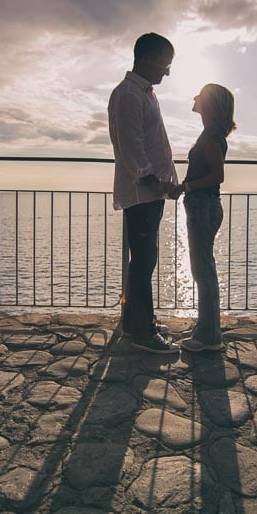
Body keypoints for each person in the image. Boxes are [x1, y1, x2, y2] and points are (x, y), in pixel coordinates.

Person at [108, 33, 179, 354]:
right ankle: (142, 333)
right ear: (147, 59)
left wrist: (163, 184)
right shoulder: (128, 95)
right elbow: (132, 148)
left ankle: (136, 320)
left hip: (150, 192)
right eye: (165, 64)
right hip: (142, 193)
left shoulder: (144, 93)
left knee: (144, 260)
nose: (167, 72)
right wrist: (157, 183)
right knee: (143, 261)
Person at [173, 84, 236, 352]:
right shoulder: (212, 132)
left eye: (200, 94)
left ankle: (209, 337)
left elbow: (216, 176)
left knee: (203, 270)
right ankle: (206, 328)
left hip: (203, 205)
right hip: (205, 205)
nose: (194, 97)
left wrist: (186, 187)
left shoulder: (210, 134)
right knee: (204, 269)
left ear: (209, 103)